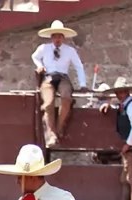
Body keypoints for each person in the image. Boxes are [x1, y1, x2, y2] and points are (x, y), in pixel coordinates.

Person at [31, 20, 88, 148]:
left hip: (62, 77)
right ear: (51, 37)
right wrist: (40, 66)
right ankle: (51, 134)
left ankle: (58, 128)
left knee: (66, 98)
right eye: (55, 36)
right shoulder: (44, 48)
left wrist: (82, 84)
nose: (57, 39)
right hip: (48, 77)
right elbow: (34, 57)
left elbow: (78, 66)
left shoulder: (70, 51)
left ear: (63, 37)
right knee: (48, 103)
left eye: (60, 36)